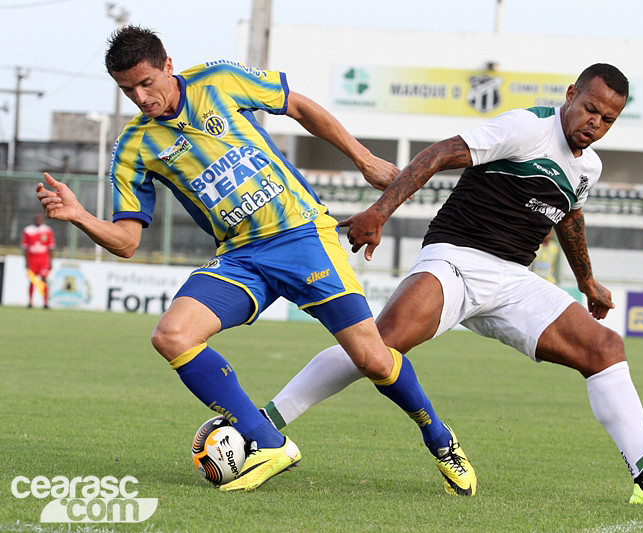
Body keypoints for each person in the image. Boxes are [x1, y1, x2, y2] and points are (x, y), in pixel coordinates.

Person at [35, 25, 475, 495]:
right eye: (128, 91)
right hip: (241, 257)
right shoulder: (134, 148)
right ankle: (269, 442)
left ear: (168, 66)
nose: (141, 98)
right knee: (172, 335)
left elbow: (299, 105)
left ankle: (439, 437)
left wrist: (363, 159)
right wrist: (80, 215)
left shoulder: (218, 81)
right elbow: (126, 241)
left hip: (303, 235)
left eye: (147, 84)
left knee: (372, 358)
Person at [261, 64, 643, 506]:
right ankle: (265, 426)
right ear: (571, 95)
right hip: (456, 260)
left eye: (608, 119)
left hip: (514, 281)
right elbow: (439, 153)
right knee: (377, 347)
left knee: (605, 348)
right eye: (590, 109)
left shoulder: (589, 168)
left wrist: (587, 280)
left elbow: (570, 217)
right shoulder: (525, 128)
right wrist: (379, 212)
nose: (595, 123)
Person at [21, 213, 55, 309]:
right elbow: (25, 247)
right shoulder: (28, 230)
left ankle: (45, 302)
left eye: (40, 219)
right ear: (34, 220)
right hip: (32, 260)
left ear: (43, 220)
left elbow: (51, 247)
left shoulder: (47, 230)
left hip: (43, 259)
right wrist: (26, 261)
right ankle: (30, 302)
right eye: (37, 219)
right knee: (32, 281)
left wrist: (50, 261)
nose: (38, 221)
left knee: (44, 280)